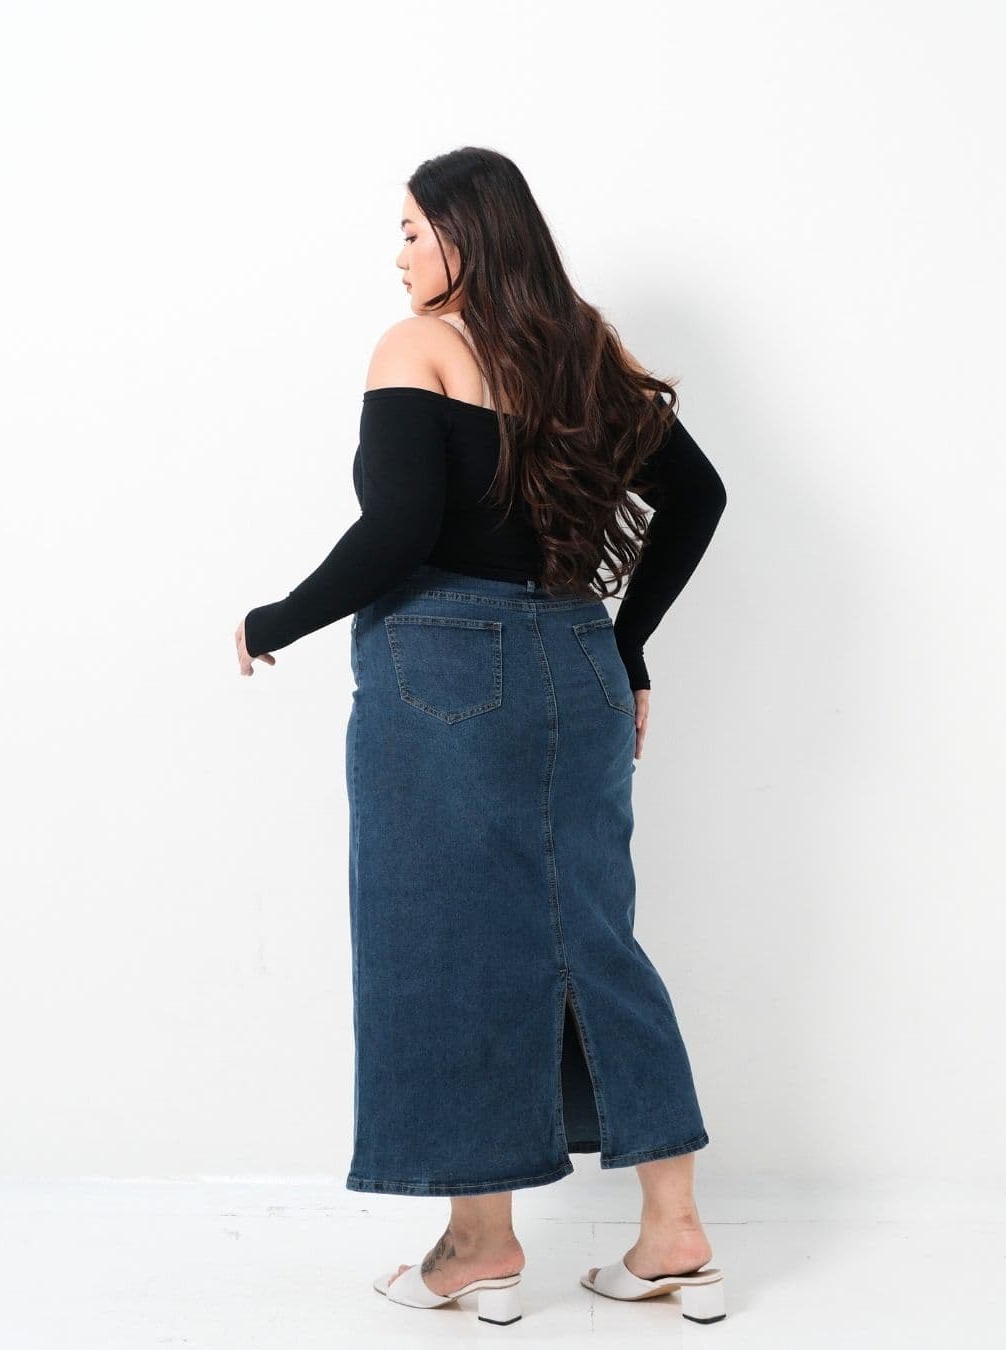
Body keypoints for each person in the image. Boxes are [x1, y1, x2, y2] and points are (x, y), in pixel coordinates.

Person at [236, 147, 729, 1327]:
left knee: (443, 942)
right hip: (577, 660)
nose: (399, 254)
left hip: (442, 666)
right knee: (593, 936)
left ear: (465, 234)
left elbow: (401, 529)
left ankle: (478, 1246)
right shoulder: (582, 347)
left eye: (413, 230)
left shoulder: (419, 346)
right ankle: (672, 1230)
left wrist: (277, 619)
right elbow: (700, 496)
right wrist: (628, 645)